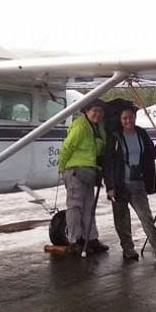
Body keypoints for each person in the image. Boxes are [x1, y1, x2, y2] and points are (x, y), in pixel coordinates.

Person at [103, 107, 156, 262]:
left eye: (131, 117)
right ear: (120, 120)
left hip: (138, 183)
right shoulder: (115, 137)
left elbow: (151, 154)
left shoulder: (141, 134)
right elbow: (108, 163)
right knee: (122, 220)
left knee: (146, 217)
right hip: (120, 185)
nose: (128, 121)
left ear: (135, 118)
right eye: (125, 118)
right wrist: (110, 186)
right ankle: (128, 250)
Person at [58, 98, 109, 257]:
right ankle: (75, 240)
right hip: (75, 171)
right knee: (75, 206)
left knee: (89, 207)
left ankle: (91, 239)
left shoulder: (97, 127)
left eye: (100, 111)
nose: (97, 114)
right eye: (94, 110)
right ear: (86, 111)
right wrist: (62, 168)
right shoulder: (80, 126)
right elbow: (67, 147)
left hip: (89, 172)